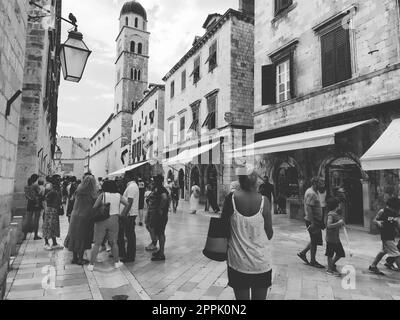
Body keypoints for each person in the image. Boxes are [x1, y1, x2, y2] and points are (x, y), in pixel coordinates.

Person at [221, 166, 273, 300]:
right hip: (261, 263)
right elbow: (269, 234)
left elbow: (223, 228)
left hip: (238, 263)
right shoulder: (264, 201)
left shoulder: (231, 199)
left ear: (240, 180)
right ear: (256, 180)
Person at [88, 180, 129, 271]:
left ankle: (91, 264)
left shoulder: (103, 195)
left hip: (102, 220)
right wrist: (122, 214)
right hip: (114, 220)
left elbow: (94, 207)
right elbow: (127, 204)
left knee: (97, 243)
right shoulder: (118, 195)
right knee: (114, 242)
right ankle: (116, 262)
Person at [65, 174, 98, 265]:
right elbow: (95, 206)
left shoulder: (78, 191)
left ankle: (74, 258)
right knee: (82, 237)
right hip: (85, 217)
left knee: (74, 236)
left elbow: (71, 201)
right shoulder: (92, 194)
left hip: (74, 215)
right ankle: (80, 259)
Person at [297, 177, 325, 269]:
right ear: (315, 183)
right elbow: (309, 208)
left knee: (314, 240)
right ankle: (312, 261)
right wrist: (313, 222)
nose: (322, 185)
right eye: (321, 183)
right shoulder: (311, 193)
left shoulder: (313, 191)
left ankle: (303, 253)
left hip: (315, 220)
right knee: (314, 240)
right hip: (312, 220)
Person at [369, 198, 400, 275]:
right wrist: (378, 222)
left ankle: (373, 266)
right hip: (386, 235)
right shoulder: (383, 211)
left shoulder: (395, 213)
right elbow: (374, 220)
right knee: (396, 253)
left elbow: (396, 223)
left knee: (383, 251)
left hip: (391, 235)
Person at [118, 171, 139, 263]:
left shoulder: (132, 187)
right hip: (129, 214)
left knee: (130, 236)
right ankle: (127, 254)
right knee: (129, 235)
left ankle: (130, 256)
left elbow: (129, 202)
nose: (123, 179)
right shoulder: (132, 186)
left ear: (128, 177)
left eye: (125, 177)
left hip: (129, 214)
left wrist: (123, 214)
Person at [147, 175, 169, 261]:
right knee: (159, 232)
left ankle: (161, 253)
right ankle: (160, 251)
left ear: (157, 181)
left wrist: (160, 208)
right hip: (159, 215)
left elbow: (164, 198)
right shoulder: (158, 188)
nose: (153, 182)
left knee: (160, 233)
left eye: (154, 180)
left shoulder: (161, 189)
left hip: (160, 216)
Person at [325, 198, 346, 277]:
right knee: (330, 254)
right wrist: (338, 223)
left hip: (336, 238)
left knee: (340, 253)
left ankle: (332, 265)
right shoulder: (331, 214)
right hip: (330, 238)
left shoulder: (336, 214)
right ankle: (329, 270)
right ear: (337, 205)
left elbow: (338, 223)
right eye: (339, 204)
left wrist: (341, 224)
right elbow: (329, 225)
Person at [42, 177, 63, 251]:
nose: (59, 182)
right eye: (58, 180)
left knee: (53, 226)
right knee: (48, 226)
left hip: (53, 210)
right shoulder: (50, 187)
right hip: (49, 210)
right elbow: (45, 198)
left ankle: (54, 243)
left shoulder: (55, 189)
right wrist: (46, 209)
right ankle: (46, 243)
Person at [22, 174, 43, 241]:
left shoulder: (26, 186)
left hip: (29, 203)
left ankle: (24, 236)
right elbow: (40, 193)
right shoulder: (35, 185)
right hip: (36, 203)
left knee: (28, 220)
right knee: (36, 220)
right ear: (36, 179)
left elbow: (26, 196)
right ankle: (35, 235)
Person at [145, 184, 158, 252]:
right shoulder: (152, 192)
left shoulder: (158, 191)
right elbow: (147, 200)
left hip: (153, 211)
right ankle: (154, 239)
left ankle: (154, 242)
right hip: (150, 210)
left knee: (151, 226)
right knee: (147, 225)